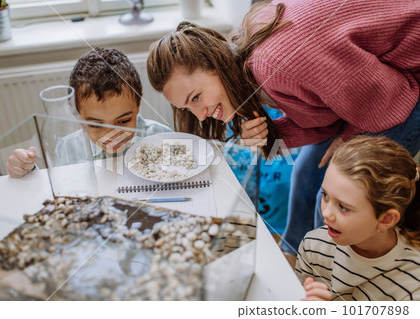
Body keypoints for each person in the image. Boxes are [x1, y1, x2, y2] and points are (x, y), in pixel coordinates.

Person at [146, 0, 420, 256]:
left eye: (196, 97)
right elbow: (326, 116)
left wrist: (349, 140)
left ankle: (327, 277)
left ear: (213, 64)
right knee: (304, 172)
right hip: (379, 91)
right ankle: (295, 258)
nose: (201, 116)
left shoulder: (275, 63)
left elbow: (391, 98)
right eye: (187, 108)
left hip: (402, 89)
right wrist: (274, 132)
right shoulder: (243, 56)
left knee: (330, 196)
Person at [7, 48, 172, 178]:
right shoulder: (67, 148)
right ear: (77, 115)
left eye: (123, 121)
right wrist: (29, 171)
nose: (111, 135)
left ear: (138, 104)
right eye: (95, 124)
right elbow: (63, 186)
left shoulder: (163, 136)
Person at [296, 136, 420, 301]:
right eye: (325, 195)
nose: (326, 213)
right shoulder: (312, 246)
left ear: (386, 219)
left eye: (343, 207)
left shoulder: (413, 283)